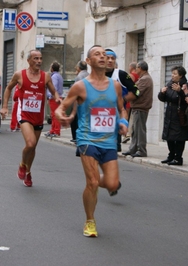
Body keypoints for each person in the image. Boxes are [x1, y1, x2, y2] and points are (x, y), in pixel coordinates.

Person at [55, 45, 128, 237]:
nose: (103, 57)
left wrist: (124, 121)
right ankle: (90, 220)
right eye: (98, 54)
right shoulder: (81, 86)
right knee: (93, 182)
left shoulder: (116, 86)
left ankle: (101, 184)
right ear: (88, 61)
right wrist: (62, 116)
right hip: (87, 139)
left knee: (112, 184)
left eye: (105, 54)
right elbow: (61, 107)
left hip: (109, 141)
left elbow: (122, 108)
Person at [0, 50, 61, 187]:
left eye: (40, 58)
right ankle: (22, 164)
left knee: (33, 148)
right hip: (24, 114)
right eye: (35, 58)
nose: (39, 61)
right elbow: (8, 88)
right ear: (29, 60)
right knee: (30, 143)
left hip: (38, 116)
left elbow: (53, 91)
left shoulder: (45, 76)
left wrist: (57, 98)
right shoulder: (19, 75)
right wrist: (4, 106)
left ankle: (28, 172)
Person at [105, 49, 139, 151]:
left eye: (113, 58)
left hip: (116, 120)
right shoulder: (94, 77)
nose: (110, 60)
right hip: (98, 124)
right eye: (108, 58)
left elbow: (137, 92)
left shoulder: (121, 75)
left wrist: (123, 99)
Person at [158, 66, 188, 166]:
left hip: (179, 113)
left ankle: (178, 157)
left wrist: (180, 91)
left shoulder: (185, 85)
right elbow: (163, 98)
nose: (172, 75)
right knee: (169, 136)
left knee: (179, 137)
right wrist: (162, 93)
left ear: (181, 75)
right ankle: (171, 155)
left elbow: (187, 99)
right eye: (172, 73)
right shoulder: (170, 84)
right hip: (169, 112)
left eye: (175, 74)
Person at [122, 60, 153, 157]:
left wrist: (125, 98)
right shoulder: (143, 78)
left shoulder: (145, 79)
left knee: (140, 130)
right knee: (135, 130)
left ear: (141, 68)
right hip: (137, 107)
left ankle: (141, 150)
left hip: (141, 107)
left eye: (137, 68)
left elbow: (137, 92)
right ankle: (133, 149)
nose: (136, 70)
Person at [70, 60, 89, 143]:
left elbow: (75, 91)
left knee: (77, 120)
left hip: (80, 102)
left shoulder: (79, 77)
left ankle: (77, 137)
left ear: (79, 67)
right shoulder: (89, 75)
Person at [44, 61, 63, 137]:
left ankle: (56, 131)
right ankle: (53, 130)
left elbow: (53, 88)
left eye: (50, 67)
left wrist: (50, 96)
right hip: (58, 97)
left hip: (54, 97)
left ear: (52, 68)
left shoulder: (54, 77)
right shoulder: (59, 76)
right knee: (54, 114)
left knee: (55, 115)